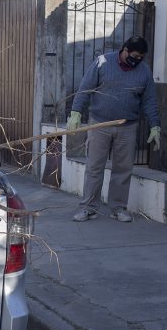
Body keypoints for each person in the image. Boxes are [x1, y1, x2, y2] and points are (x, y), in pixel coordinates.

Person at [67, 36, 161, 222]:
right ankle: (88, 207)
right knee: (94, 166)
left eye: (141, 57)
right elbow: (86, 88)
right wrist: (76, 112)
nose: (137, 60)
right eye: (134, 56)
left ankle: (118, 207)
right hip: (100, 124)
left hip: (127, 126)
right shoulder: (103, 62)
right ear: (124, 50)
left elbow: (149, 100)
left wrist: (154, 125)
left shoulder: (144, 71)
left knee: (123, 169)